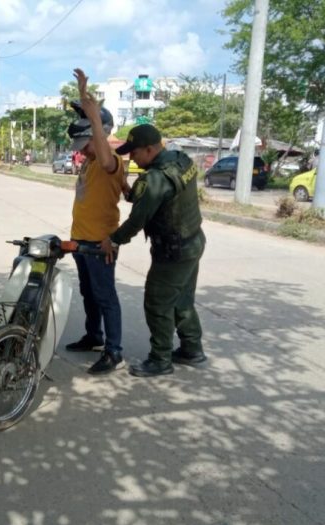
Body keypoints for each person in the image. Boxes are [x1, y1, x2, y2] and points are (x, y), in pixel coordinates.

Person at [100, 123, 207, 377]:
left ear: (149, 149)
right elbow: (153, 197)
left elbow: (138, 220)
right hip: (193, 241)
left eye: (135, 153)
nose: (131, 158)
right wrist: (130, 189)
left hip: (173, 252)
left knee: (157, 303)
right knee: (182, 300)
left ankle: (160, 359)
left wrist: (113, 239)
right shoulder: (181, 161)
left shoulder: (155, 178)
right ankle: (192, 349)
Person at [64, 68, 126, 374]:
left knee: (105, 296)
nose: (83, 151)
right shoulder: (88, 163)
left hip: (102, 241)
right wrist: (83, 98)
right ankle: (94, 336)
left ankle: (114, 351)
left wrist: (95, 117)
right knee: (88, 293)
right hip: (82, 240)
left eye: (86, 143)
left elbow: (103, 154)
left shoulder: (110, 163)